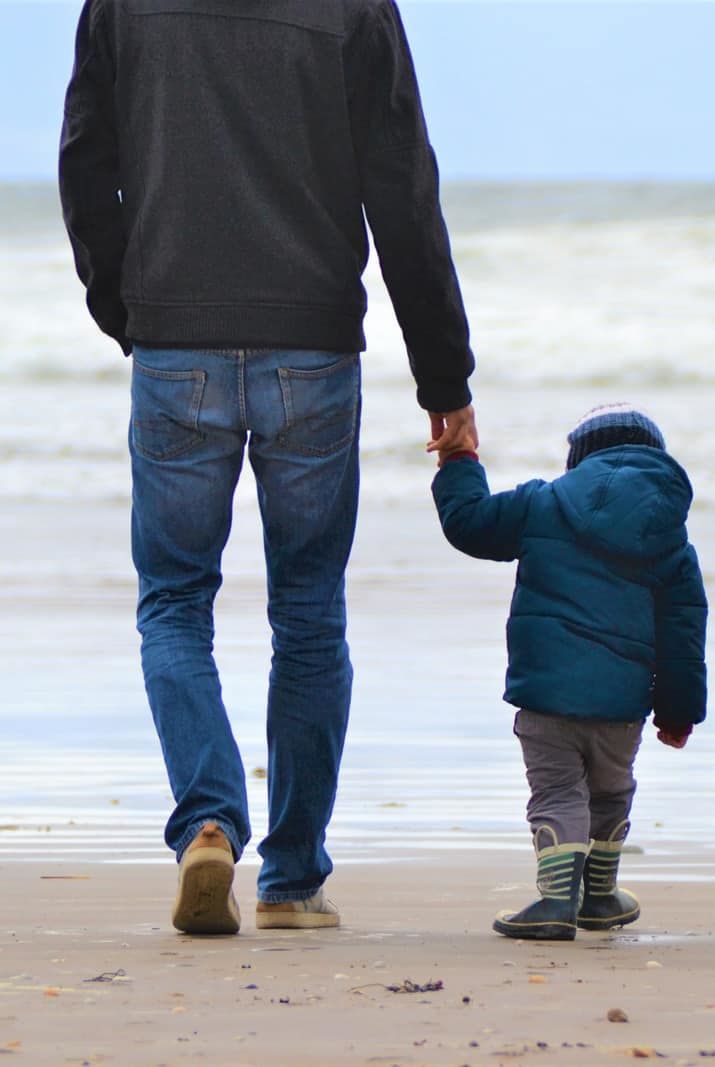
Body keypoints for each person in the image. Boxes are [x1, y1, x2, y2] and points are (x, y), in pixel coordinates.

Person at [59, 0, 477, 934]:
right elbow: (402, 185)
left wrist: (128, 307)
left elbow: (86, 161)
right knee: (309, 612)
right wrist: (444, 375)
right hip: (313, 350)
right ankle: (290, 880)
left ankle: (208, 819)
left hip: (176, 343)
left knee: (174, 602)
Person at [431, 403, 707, 940]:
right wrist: (678, 711)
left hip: (547, 696)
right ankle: (599, 898)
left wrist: (460, 457)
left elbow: (468, 523)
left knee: (557, 792)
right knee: (609, 792)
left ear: (578, 459)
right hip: (622, 707)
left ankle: (557, 900)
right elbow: (683, 634)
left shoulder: (543, 504)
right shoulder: (668, 537)